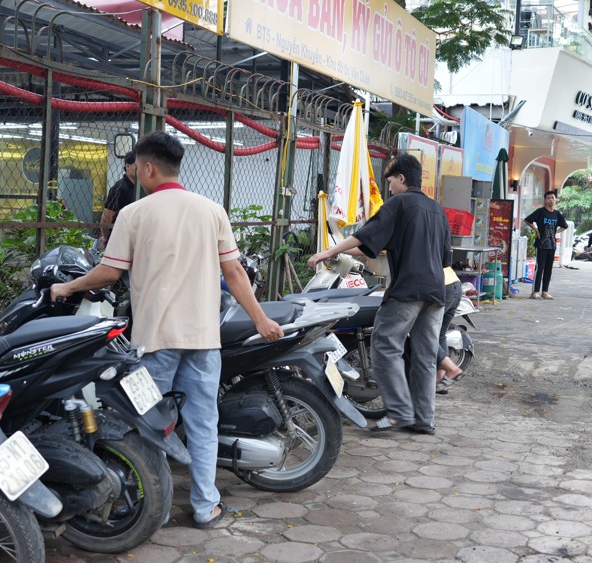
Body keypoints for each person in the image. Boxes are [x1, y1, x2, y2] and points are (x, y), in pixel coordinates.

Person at [50, 131, 284, 529]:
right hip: (203, 338)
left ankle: (150, 507)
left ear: (147, 167)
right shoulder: (212, 210)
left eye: (138, 167)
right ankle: (206, 505)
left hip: (154, 341)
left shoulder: (135, 214)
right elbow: (234, 271)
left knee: (148, 424)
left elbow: (110, 270)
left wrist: (68, 286)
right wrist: (260, 318)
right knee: (202, 422)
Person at [308, 154, 450, 435]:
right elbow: (375, 244)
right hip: (437, 291)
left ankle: (398, 413)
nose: (389, 188)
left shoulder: (399, 203)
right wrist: (341, 249)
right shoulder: (436, 210)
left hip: (408, 288)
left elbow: (365, 235)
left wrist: (329, 251)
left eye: (391, 181)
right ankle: (424, 420)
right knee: (424, 355)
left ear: (402, 178)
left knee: (385, 346)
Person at [524, 191, 568, 300]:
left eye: (552, 198)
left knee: (549, 268)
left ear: (555, 199)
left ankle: (545, 291)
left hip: (552, 245)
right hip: (541, 244)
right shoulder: (541, 212)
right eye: (548, 198)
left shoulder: (557, 214)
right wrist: (536, 230)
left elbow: (564, 226)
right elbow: (527, 220)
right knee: (540, 268)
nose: (551, 200)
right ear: (545, 200)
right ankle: (535, 292)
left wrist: (556, 232)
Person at [435, 266, 464, 395]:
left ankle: (451, 368)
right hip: (455, 284)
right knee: (440, 335)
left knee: (423, 334)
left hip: (442, 287)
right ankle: (440, 380)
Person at [99, 151, 137, 249]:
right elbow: (106, 217)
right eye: (137, 165)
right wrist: (106, 238)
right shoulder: (119, 188)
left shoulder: (141, 188)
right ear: (127, 166)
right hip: (119, 240)